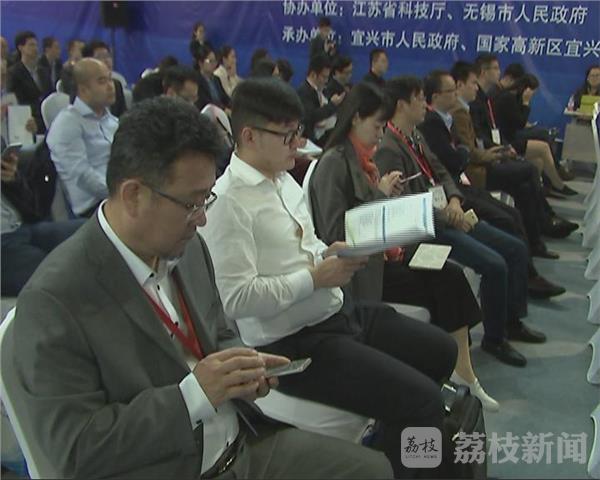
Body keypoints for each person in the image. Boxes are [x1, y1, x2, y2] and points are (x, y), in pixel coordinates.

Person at [7, 95, 393, 479]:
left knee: (374, 470)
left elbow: (218, 331)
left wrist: (240, 368)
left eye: (206, 199)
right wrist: (193, 396)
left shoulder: (188, 248)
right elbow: (74, 451)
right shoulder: (56, 300)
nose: (203, 219)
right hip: (171, 466)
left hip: (241, 443)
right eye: (192, 204)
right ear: (134, 195)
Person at [200, 77, 458, 478]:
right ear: (249, 135)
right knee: (422, 401)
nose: (298, 144)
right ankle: (414, 467)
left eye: (298, 132)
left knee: (441, 350)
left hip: (338, 313)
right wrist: (315, 278)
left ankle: (401, 453)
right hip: (293, 344)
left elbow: (307, 245)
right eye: (286, 136)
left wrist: (329, 253)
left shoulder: (283, 179)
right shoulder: (227, 203)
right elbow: (236, 298)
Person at [309, 82, 498, 410]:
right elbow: (335, 233)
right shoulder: (334, 164)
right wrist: (381, 196)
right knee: (446, 280)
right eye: (377, 126)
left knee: (449, 275)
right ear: (356, 119)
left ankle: (462, 372)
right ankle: (457, 374)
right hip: (364, 269)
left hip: (387, 253)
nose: (381, 135)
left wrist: (389, 200)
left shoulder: (364, 159)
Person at [376, 76, 547, 368]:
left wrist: (454, 200)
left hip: (449, 213)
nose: (425, 104)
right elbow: (402, 209)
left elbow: (441, 172)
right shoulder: (389, 149)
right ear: (402, 104)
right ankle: (494, 339)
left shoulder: (414, 135)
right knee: (494, 265)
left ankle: (512, 320)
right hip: (429, 228)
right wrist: (445, 214)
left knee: (516, 247)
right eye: (420, 99)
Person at [421, 69, 567, 266]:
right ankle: (543, 223)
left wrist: (488, 152)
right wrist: (484, 155)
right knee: (521, 187)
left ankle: (536, 240)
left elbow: (466, 149)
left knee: (524, 187)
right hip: (468, 177)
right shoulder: (436, 122)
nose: (457, 93)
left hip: (461, 181)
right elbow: (458, 157)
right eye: (452, 90)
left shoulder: (448, 117)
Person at [1, 138, 84, 296]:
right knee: (54, 274)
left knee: (87, 232)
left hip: (20, 227)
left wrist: (13, 179)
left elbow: (31, 206)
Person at [47, 58, 117, 217]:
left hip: (120, 195)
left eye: (110, 79)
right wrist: (118, 193)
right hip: (95, 207)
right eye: (102, 81)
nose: (110, 86)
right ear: (84, 90)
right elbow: (82, 176)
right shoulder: (67, 123)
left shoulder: (112, 121)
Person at [492, 73, 577, 196]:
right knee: (543, 146)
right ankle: (557, 183)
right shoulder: (508, 98)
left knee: (538, 160)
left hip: (511, 135)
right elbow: (520, 123)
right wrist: (526, 103)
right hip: (507, 139)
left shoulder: (512, 97)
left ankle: (541, 191)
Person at [7, 31, 52, 133]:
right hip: (28, 118)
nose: (35, 48)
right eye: (31, 45)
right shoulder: (14, 73)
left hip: (46, 117)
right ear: (21, 48)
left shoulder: (44, 71)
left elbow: (50, 95)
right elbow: (16, 101)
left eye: (36, 45)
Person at [296, 54, 345, 145]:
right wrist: (332, 105)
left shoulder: (322, 91)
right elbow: (312, 116)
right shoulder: (304, 92)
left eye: (327, 77)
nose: (326, 81)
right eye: (324, 77)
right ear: (313, 75)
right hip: (311, 140)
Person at [81, 40, 127, 117]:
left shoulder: (116, 84)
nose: (106, 61)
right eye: (99, 57)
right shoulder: (85, 87)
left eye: (108, 56)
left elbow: (123, 114)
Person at [193, 46, 230, 111]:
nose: (214, 64)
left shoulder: (216, 79)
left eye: (214, 61)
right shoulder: (196, 81)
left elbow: (225, 98)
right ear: (200, 63)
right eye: (210, 61)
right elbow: (205, 102)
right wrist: (223, 109)